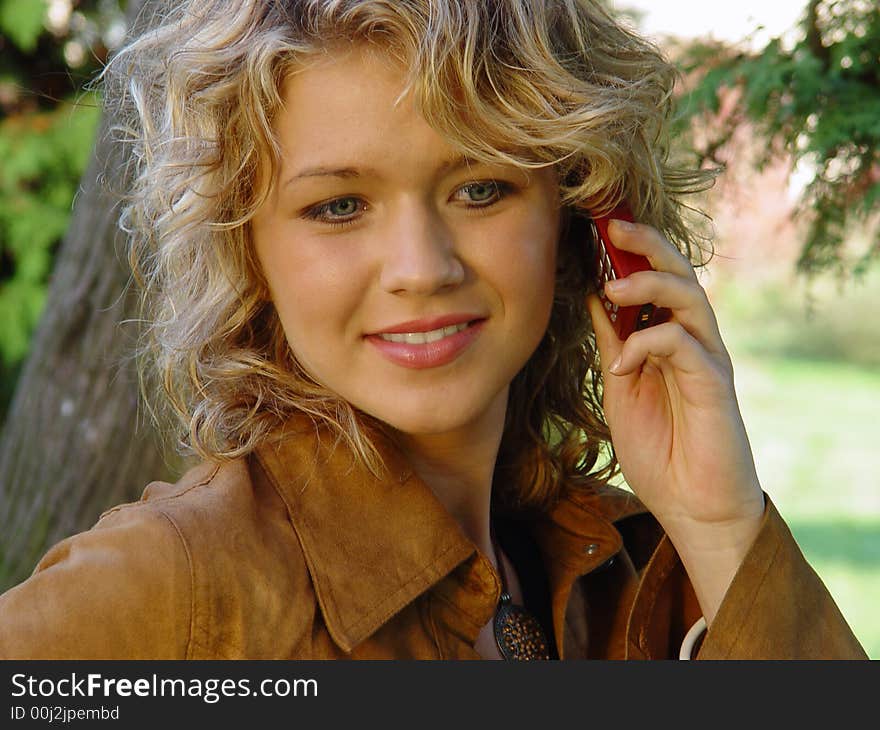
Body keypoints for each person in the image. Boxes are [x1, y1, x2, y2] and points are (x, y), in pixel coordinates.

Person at [0, 0, 866, 660]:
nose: (421, 267)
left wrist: (722, 529)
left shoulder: (630, 570)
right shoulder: (172, 593)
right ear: (246, 249)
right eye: (338, 206)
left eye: (481, 188)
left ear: (583, 215)